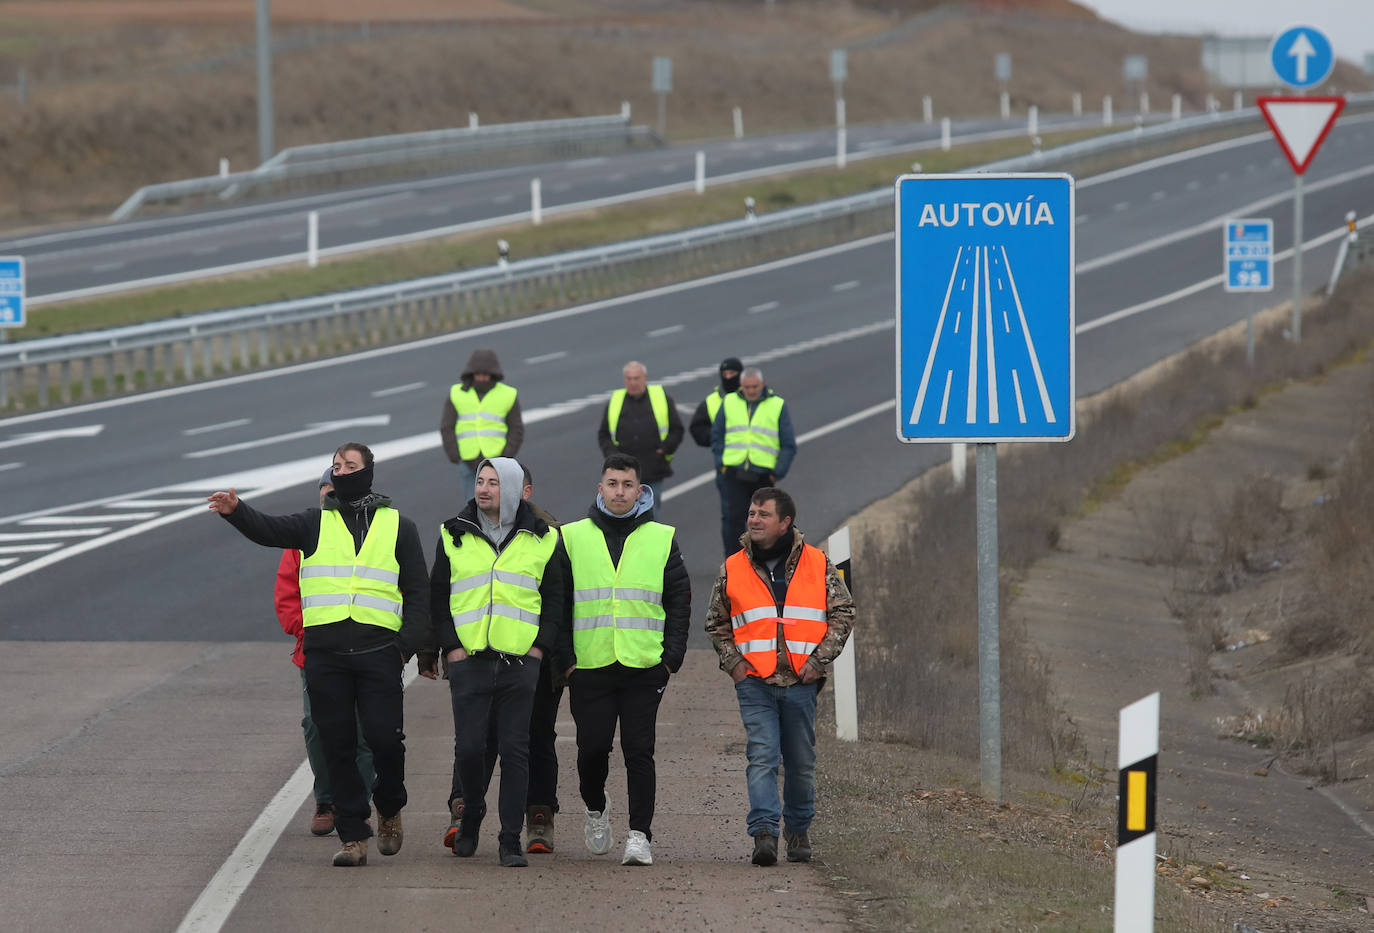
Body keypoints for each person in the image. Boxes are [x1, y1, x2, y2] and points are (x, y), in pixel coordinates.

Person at [208, 442, 431, 868]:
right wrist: (237, 511)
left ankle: (389, 804)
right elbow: (269, 530)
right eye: (337, 466)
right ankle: (353, 835)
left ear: (368, 471)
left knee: (385, 741)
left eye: (351, 465)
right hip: (327, 655)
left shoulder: (399, 526)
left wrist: (406, 646)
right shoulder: (314, 523)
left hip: (379, 652)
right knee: (338, 746)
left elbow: (419, 592)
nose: (342, 471)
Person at [703, 487, 854, 867]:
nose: (754, 518)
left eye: (763, 514)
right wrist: (735, 665)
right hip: (754, 683)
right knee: (763, 755)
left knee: (800, 761)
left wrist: (818, 662)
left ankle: (798, 830)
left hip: (802, 684)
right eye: (752, 512)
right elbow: (716, 623)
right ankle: (765, 834)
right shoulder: (733, 566)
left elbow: (844, 613)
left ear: (785, 523)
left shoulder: (818, 563)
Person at [429, 457, 566, 868]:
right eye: (480, 481)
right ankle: (470, 817)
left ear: (513, 490)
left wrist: (539, 649)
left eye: (494, 483)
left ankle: (509, 840)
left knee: (515, 750)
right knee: (470, 749)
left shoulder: (543, 539)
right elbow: (439, 597)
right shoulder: (453, 534)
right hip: (469, 662)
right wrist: (451, 647)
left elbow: (554, 600)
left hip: (519, 663)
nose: (484, 489)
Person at [557, 453, 690, 867]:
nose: (619, 491)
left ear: (640, 490)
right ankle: (596, 808)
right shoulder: (572, 536)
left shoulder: (662, 537)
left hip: (643, 665)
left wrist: (670, 658)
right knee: (592, 750)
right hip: (589, 665)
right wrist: (565, 660)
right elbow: (557, 602)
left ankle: (640, 835)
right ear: (601, 489)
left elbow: (679, 599)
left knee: (639, 750)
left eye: (627, 484)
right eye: (612, 484)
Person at [275, 466, 376, 837]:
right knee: (317, 726)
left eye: (333, 486)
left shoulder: (373, 531)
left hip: (365, 650)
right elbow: (288, 595)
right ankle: (327, 798)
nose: (327, 492)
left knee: (364, 731)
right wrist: (309, 632)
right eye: (323, 486)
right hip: (316, 652)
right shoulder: (304, 534)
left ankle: (359, 803)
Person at [710, 366, 797, 556]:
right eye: (747, 387)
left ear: (762, 384)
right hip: (733, 472)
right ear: (741, 385)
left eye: (754, 387)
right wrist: (721, 463)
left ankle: (763, 560)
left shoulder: (776, 405)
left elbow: (788, 444)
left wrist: (776, 473)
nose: (750, 391)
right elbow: (716, 436)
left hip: (763, 476)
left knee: (764, 521)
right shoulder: (729, 401)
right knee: (732, 521)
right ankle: (734, 564)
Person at [597, 361, 683, 513]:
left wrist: (663, 450)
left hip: (652, 469)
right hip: (622, 472)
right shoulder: (615, 401)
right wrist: (613, 456)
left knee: (649, 514)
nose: (632, 382)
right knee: (620, 513)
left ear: (645, 378)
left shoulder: (661, 398)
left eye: (636, 378)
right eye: (629, 379)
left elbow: (677, 429)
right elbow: (604, 434)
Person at [440, 348, 525, 502]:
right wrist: (455, 455)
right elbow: (447, 426)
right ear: (471, 374)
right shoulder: (457, 393)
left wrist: (506, 456)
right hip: (467, 461)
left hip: (497, 462)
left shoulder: (508, 394)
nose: (482, 379)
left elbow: (516, 429)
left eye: (486, 375)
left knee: (497, 506)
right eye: (478, 375)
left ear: (493, 375)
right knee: (471, 507)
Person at [689, 357, 742, 553]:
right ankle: (734, 560)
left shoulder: (753, 396)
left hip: (758, 467)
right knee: (731, 517)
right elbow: (697, 429)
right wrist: (718, 442)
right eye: (725, 375)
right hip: (727, 469)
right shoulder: (713, 401)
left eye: (733, 374)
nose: (729, 378)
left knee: (761, 517)